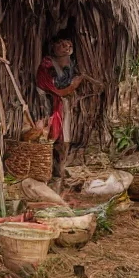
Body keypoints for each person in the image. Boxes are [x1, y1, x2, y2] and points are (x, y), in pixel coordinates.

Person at [35, 34, 85, 181]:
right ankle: (46, 172)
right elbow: (58, 90)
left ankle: (59, 171)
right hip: (46, 105)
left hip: (61, 104)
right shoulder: (47, 65)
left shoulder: (71, 65)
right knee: (47, 138)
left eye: (68, 45)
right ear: (53, 46)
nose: (66, 48)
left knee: (64, 139)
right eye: (61, 44)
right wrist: (74, 85)